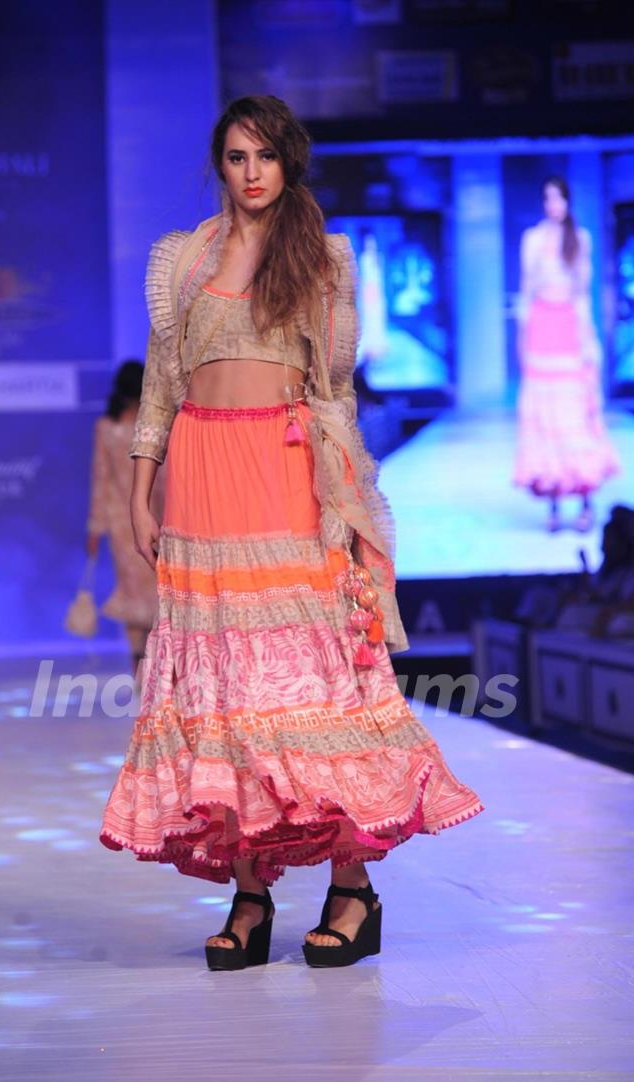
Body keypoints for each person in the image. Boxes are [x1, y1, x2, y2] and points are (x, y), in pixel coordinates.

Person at [99, 95, 484, 970]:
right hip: (199, 485)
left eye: (267, 156)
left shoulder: (322, 261)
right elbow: (161, 389)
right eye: (237, 156)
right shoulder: (182, 260)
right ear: (220, 165)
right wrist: (138, 493)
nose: (252, 172)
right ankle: (251, 891)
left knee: (314, 682)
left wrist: (344, 509)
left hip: (284, 480)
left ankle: (353, 888)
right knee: (224, 696)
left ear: (290, 162)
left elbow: (333, 395)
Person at [513, 175, 621, 533]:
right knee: (547, 419)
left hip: (570, 332)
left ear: (568, 201)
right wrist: (522, 338)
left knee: (576, 415)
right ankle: (555, 506)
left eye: (558, 198)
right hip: (542, 329)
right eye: (547, 198)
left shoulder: (581, 239)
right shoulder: (533, 239)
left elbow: (581, 295)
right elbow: (527, 290)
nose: (553, 204)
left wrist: (590, 343)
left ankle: (586, 502)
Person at [87, 360, 164, 676]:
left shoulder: (154, 424)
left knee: (156, 589)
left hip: (151, 514)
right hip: (131, 520)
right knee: (136, 591)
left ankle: (152, 663)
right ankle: (140, 665)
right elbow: (101, 478)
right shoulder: (108, 428)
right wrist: (95, 526)